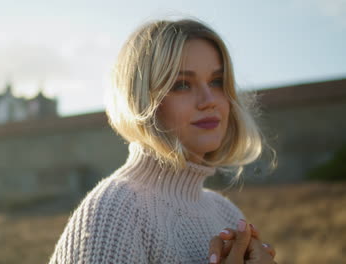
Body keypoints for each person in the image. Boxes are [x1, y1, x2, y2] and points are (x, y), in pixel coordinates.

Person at [49, 18, 277, 264]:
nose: (208, 99)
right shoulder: (115, 210)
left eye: (216, 82)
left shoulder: (225, 213)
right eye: (182, 85)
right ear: (143, 100)